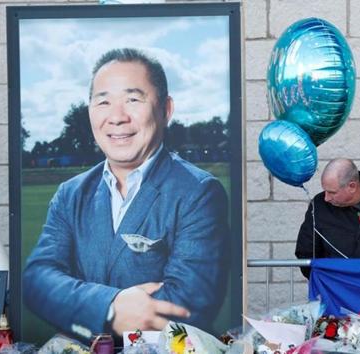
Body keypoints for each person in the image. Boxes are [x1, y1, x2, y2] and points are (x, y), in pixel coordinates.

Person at [23, 48, 229, 341]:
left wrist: (74, 304)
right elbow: (37, 281)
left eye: (133, 99)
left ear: (166, 109)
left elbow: (185, 307)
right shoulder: (70, 194)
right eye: (103, 101)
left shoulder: (198, 193)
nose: (117, 117)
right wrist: (109, 307)